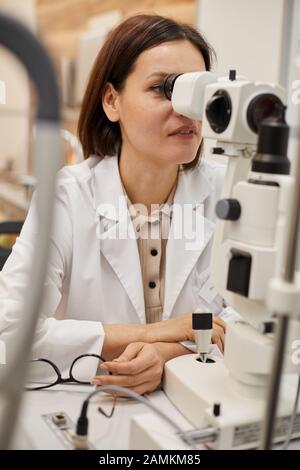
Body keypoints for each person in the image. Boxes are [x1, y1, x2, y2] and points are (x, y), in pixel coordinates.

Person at [0, 14, 236, 396]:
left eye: (198, 91)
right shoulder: (67, 196)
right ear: (112, 101)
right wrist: (152, 331)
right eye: (164, 89)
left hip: (195, 407)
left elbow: (256, 325)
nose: (186, 109)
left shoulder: (228, 192)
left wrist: (165, 354)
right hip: (91, 403)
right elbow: (10, 330)